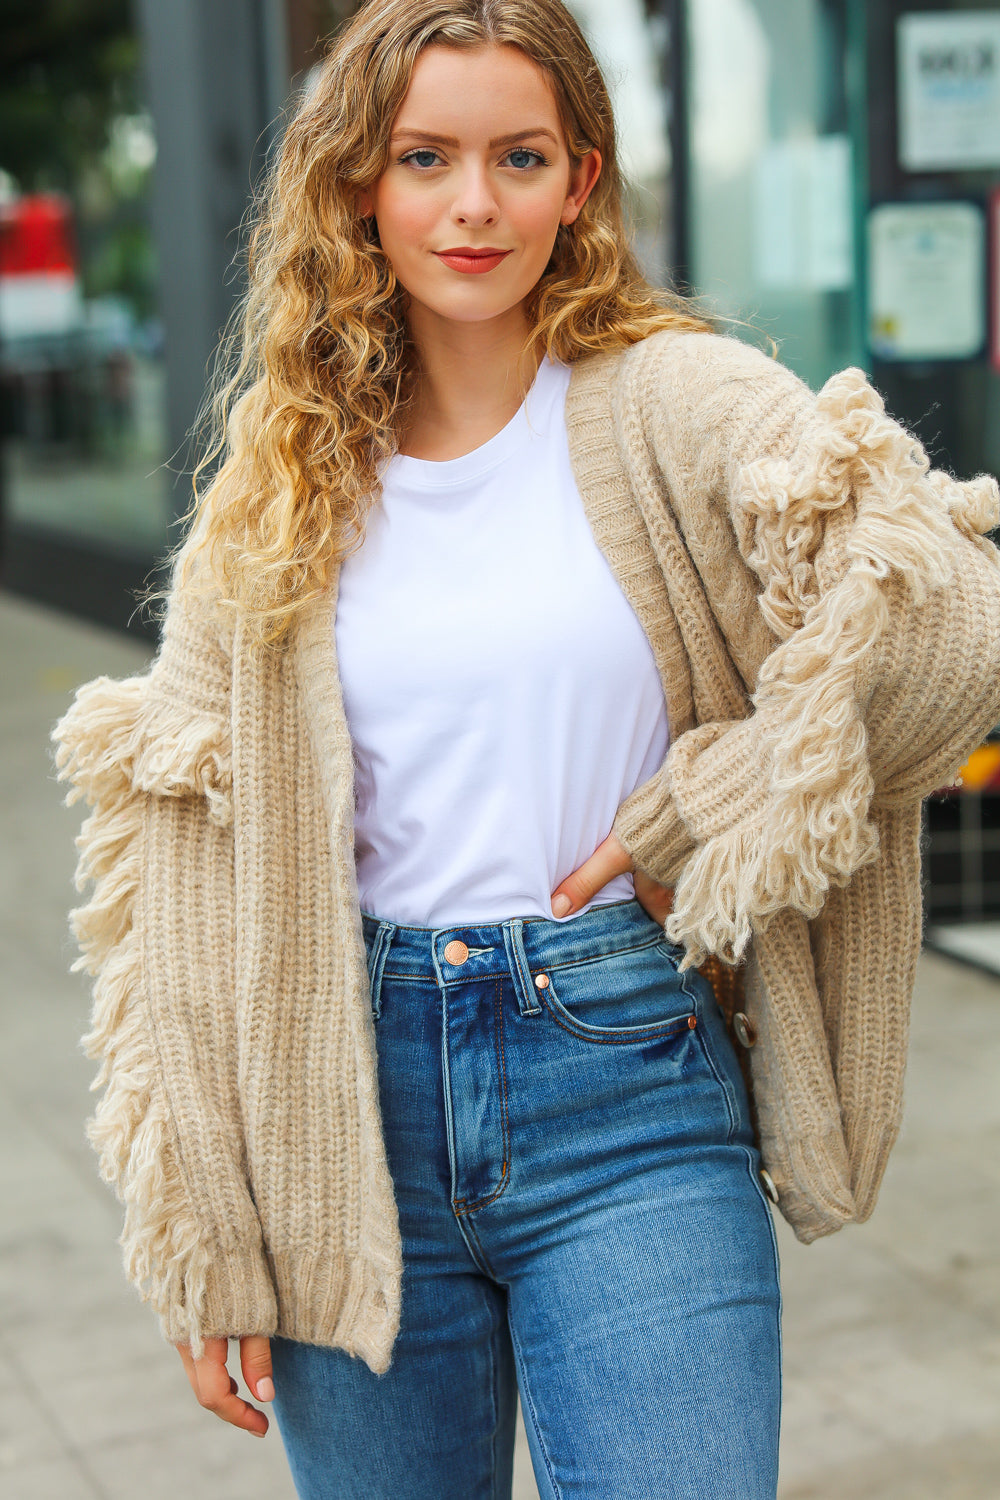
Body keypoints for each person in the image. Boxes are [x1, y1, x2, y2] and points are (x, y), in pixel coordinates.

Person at [52, 2, 1000, 1496]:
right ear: (361, 183)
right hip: (342, 1108)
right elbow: (184, 850)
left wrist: (717, 803)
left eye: (520, 156)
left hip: (624, 1071)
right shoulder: (281, 478)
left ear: (583, 178)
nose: (474, 203)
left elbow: (950, 618)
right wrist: (206, 1226)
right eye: (425, 157)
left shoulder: (677, 405)